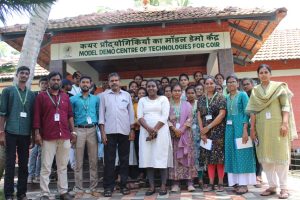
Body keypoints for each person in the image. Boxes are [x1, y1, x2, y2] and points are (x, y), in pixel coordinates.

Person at [247, 64, 297, 199]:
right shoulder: (255, 90)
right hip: (262, 128)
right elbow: (253, 110)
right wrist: (252, 128)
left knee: (280, 157)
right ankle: (272, 186)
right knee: (266, 159)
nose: (263, 74)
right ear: (258, 75)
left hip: (278, 126)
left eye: (265, 72)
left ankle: (284, 188)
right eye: (261, 72)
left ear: (270, 73)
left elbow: (285, 106)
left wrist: (285, 123)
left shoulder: (279, 87)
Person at [33, 71, 76, 200]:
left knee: (62, 166)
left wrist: (73, 132)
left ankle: (63, 192)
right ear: (49, 81)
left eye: (58, 80)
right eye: (53, 80)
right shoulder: (41, 97)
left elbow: (70, 116)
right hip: (48, 136)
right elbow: (37, 117)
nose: (56, 82)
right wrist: (37, 134)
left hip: (64, 135)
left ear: (61, 81)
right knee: (46, 166)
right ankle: (44, 193)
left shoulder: (65, 97)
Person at [0, 66, 35, 200]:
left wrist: (32, 134)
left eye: (27, 73)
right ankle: (9, 194)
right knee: (9, 164)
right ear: (17, 74)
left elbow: (32, 116)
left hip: (25, 133)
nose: (24, 75)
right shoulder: (8, 91)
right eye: (22, 73)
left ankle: (22, 193)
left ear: (29, 76)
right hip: (10, 131)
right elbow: (2, 113)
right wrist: (1, 132)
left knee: (23, 164)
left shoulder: (31, 95)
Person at [99, 72, 135, 197]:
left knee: (124, 160)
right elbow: (101, 116)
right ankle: (108, 187)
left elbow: (131, 114)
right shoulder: (104, 96)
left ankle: (123, 185)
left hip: (124, 131)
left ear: (120, 81)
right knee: (109, 160)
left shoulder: (126, 95)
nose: (114, 82)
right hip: (109, 132)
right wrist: (102, 133)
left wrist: (131, 130)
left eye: (116, 80)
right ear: (108, 83)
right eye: (111, 81)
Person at [137, 80, 172, 196]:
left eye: (153, 86)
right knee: (148, 158)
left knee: (161, 157)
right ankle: (151, 186)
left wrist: (155, 130)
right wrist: (149, 129)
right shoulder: (142, 100)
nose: (151, 88)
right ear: (146, 88)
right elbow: (140, 117)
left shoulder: (163, 99)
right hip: (145, 132)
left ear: (157, 88)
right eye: (149, 86)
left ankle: (163, 185)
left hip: (161, 132)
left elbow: (165, 115)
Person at [224, 75, 256, 195]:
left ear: (238, 84)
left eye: (233, 82)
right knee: (232, 153)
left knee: (242, 153)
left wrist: (245, 129)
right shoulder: (226, 97)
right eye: (229, 82)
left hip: (241, 127)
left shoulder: (242, 95)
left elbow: (247, 112)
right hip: (229, 128)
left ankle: (244, 183)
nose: (231, 84)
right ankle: (236, 182)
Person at [70, 76, 100, 198]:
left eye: (87, 82)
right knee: (78, 162)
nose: (85, 84)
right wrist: (72, 132)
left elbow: (98, 113)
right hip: (78, 130)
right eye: (83, 82)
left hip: (92, 129)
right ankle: (79, 189)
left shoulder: (96, 99)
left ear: (91, 84)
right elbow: (70, 117)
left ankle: (93, 188)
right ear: (79, 84)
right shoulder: (73, 99)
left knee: (93, 161)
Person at [197, 76, 226, 192]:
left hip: (218, 132)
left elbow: (222, 114)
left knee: (219, 159)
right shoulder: (201, 99)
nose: (209, 85)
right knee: (208, 159)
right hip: (206, 133)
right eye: (207, 83)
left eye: (211, 83)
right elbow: (199, 116)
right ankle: (210, 183)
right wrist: (202, 131)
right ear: (204, 85)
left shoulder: (221, 97)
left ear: (215, 84)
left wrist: (208, 127)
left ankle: (220, 183)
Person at [169, 84, 197, 192]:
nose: (177, 92)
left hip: (185, 135)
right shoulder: (168, 105)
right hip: (173, 135)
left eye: (179, 90)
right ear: (171, 92)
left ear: (182, 92)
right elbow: (165, 119)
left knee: (187, 157)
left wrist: (182, 129)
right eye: (175, 90)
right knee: (175, 158)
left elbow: (190, 118)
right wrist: (174, 129)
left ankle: (190, 182)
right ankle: (175, 183)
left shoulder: (187, 105)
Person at [242, 77, 263, 187]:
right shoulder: (242, 96)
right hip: (247, 127)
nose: (245, 86)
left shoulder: (257, 96)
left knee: (257, 151)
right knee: (250, 151)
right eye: (244, 85)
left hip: (258, 127)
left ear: (252, 84)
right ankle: (251, 175)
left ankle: (258, 176)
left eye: (247, 84)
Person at [28, 77, 49, 184]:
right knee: (33, 153)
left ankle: (37, 175)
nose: (45, 85)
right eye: (43, 83)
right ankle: (30, 174)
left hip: (45, 128)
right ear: (39, 85)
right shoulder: (34, 96)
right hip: (34, 128)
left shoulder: (49, 96)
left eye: (46, 83)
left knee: (41, 153)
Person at [186, 86, 204, 188]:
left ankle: (200, 178)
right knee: (189, 157)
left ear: (195, 93)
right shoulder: (184, 104)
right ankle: (190, 179)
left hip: (198, 132)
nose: (190, 95)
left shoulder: (199, 103)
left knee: (199, 156)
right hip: (187, 133)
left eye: (192, 92)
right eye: (188, 93)